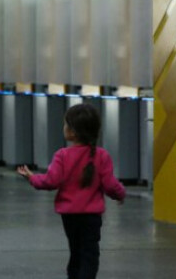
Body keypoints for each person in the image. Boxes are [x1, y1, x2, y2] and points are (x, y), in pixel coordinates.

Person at [17, 104, 125, 279]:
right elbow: (110, 185)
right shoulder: (102, 155)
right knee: (90, 254)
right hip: (91, 217)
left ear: (73, 132)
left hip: (69, 217)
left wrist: (31, 177)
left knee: (75, 252)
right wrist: (120, 194)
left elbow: (50, 181)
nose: (64, 127)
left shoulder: (62, 155)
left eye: (66, 124)